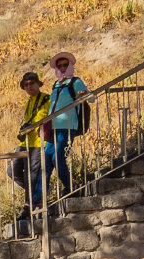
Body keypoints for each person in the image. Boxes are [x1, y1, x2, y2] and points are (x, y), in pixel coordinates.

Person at [44, 51, 88, 197]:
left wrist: (84, 95)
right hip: (53, 126)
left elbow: (91, 97)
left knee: (58, 155)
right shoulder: (56, 84)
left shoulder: (76, 81)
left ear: (70, 65)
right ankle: (41, 192)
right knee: (47, 158)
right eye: (60, 65)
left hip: (68, 125)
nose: (62, 68)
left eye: (65, 65)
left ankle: (70, 186)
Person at [12, 71, 50, 220]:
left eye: (31, 83)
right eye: (26, 84)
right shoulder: (28, 102)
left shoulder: (46, 98)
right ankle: (40, 191)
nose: (29, 87)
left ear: (38, 84)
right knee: (13, 171)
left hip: (38, 141)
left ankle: (29, 207)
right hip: (25, 142)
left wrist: (28, 127)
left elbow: (42, 116)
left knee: (31, 175)